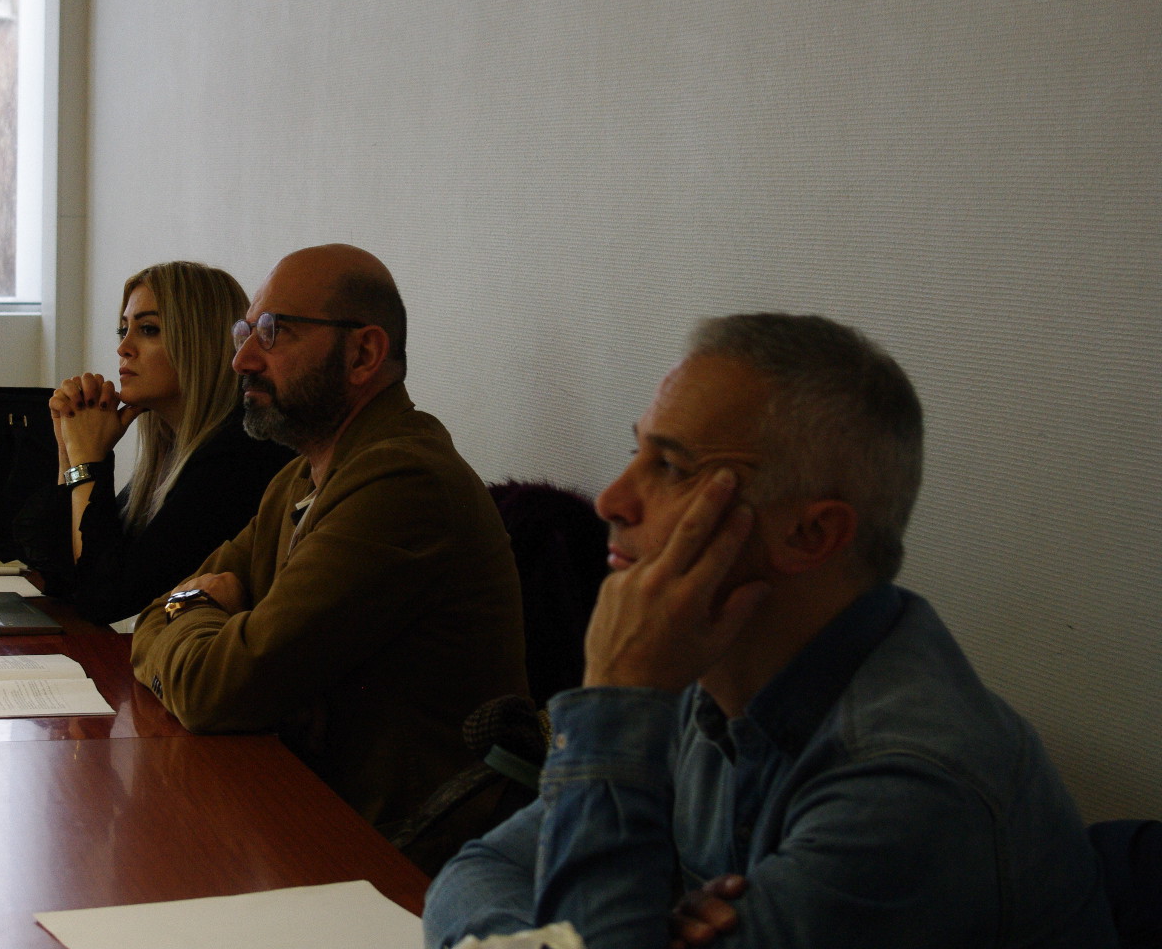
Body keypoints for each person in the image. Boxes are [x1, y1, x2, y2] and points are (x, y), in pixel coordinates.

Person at [424, 313, 1116, 949]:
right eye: (637, 452)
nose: (612, 500)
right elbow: (478, 871)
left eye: (671, 468)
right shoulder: (710, 673)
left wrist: (615, 698)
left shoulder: (909, 784)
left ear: (811, 533)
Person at [131, 244, 527, 872]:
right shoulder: (299, 478)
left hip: (401, 860)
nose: (242, 360)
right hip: (306, 815)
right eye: (244, 334)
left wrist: (194, 609)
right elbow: (153, 614)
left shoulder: (403, 482)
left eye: (273, 333)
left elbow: (216, 689)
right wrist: (196, 610)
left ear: (363, 354)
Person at [17, 261, 292, 625]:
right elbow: (61, 575)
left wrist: (88, 460)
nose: (124, 348)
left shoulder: (236, 456)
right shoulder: (173, 452)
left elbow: (106, 599)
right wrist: (69, 448)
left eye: (148, 329)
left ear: (202, 343)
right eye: (123, 330)